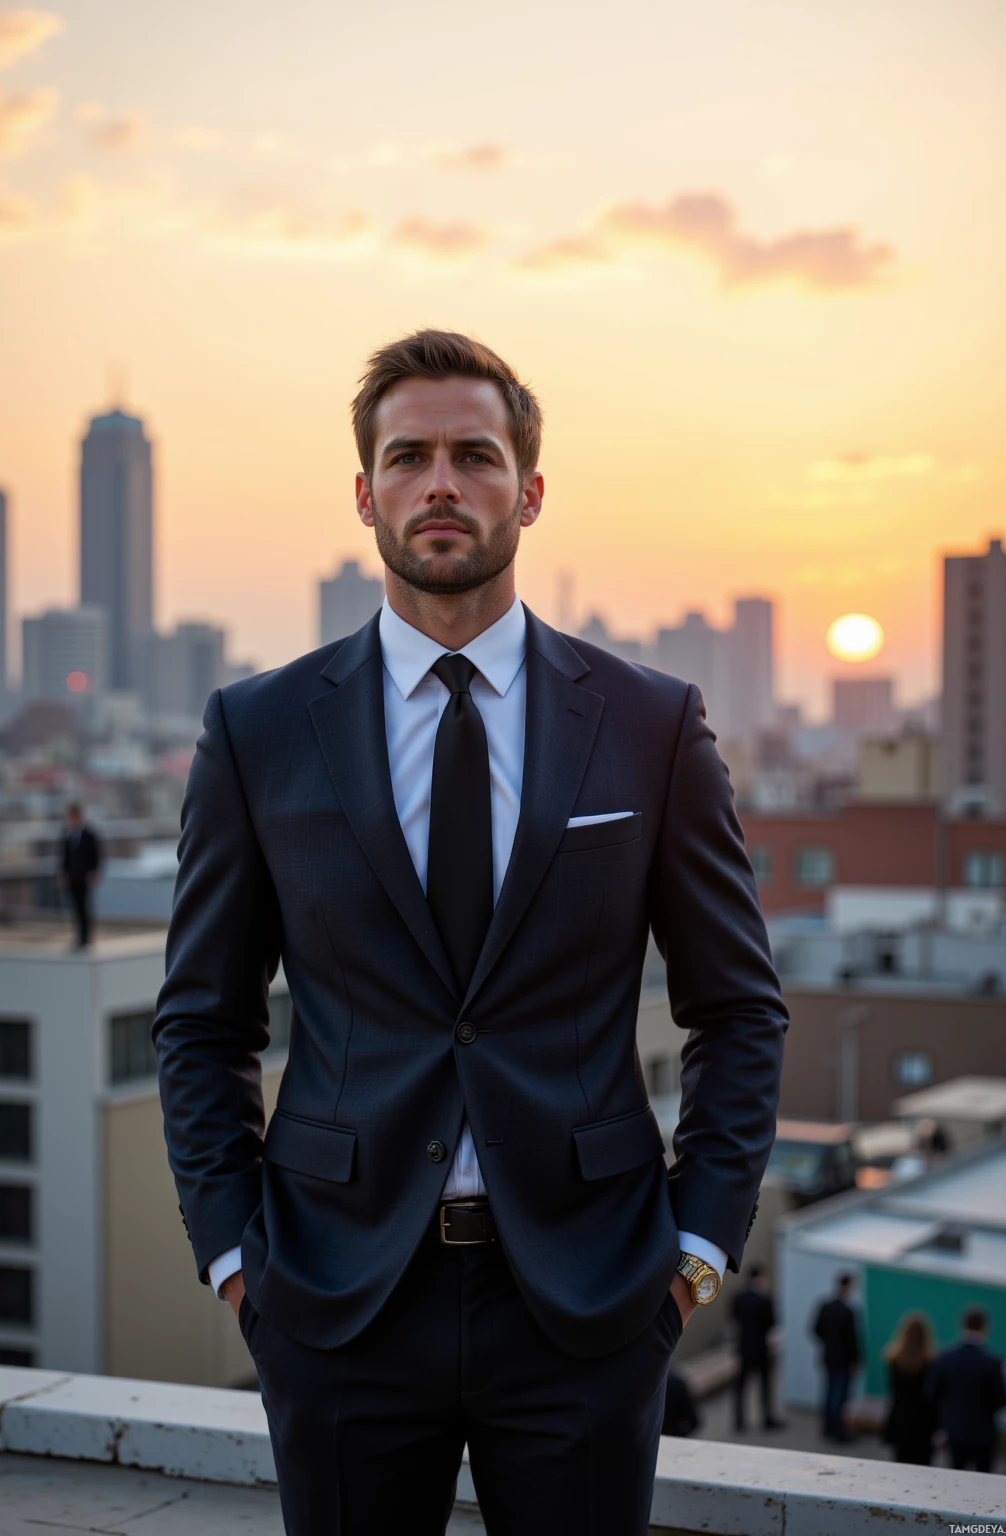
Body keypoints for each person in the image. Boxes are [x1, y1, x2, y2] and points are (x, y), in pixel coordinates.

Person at [155, 330, 788, 1536]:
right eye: (408, 457)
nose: (439, 482)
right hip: (335, 1299)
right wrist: (239, 1263)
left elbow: (736, 1008)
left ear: (529, 491)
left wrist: (695, 1250)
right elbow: (201, 1021)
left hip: (590, 1301)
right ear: (365, 494)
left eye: (473, 455)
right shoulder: (259, 730)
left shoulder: (651, 724)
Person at [927, 1306, 1006, 1473]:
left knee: (956, 1481)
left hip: (954, 1431)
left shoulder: (946, 1357)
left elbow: (932, 1393)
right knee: (983, 1484)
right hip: (984, 1433)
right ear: (985, 1327)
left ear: (962, 1324)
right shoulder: (993, 1362)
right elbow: (1003, 1399)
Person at [731, 1263, 785, 1431]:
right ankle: (767, 1419)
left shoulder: (738, 1298)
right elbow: (772, 1323)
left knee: (741, 1386)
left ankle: (739, 1421)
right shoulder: (766, 1300)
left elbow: (733, 1319)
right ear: (759, 1278)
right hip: (761, 1348)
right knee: (765, 1386)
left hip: (744, 1347)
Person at [881, 1312, 936, 1465]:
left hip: (900, 1420)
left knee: (900, 1467)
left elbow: (892, 1390)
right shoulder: (930, 1363)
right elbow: (932, 1396)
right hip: (923, 1425)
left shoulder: (893, 1360)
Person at [812, 1272, 862, 1443]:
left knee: (829, 1393)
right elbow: (852, 1339)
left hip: (828, 1356)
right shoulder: (848, 1311)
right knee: (839, 1397)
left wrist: (828, 1344)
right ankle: (838, 1431)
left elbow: (815, 1330)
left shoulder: (825, 1306)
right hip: (843, 1360)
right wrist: (856, 1360)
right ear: (847, 1286)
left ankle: (827, 1428)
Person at [59, 803, 101, 948]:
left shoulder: (89, 835)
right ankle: (79, 936)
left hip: (84, 877)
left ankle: (86, 937)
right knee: (75, 908)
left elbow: (95, 855)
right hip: (72, 876)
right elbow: (64, 857)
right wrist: (63, 873)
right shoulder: (68, 835)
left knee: (84, 907)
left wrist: (94, 871)